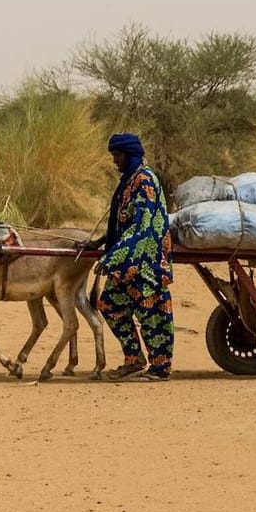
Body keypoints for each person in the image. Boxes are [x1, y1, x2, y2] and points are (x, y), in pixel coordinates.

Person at [95, 132, 174, 381]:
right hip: (128, 260)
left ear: (129, 155)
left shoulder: (145, 181)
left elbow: (142, 227)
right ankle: (134, 359)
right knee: (109, 303)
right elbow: (122, 223)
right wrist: (102, 243)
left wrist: (111, 258)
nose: (114, 161)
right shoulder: (128, 181)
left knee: (152, 313)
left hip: (147, 261)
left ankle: (160, 368)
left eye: (117, 156)